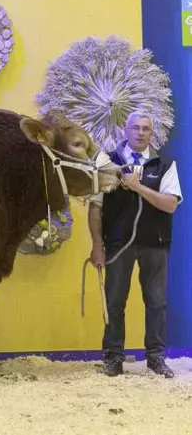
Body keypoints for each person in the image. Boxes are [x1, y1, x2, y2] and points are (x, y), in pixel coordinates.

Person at [88, 111, 182, 378]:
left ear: (151, 133)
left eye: (146, 129)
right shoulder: (107, 163)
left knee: (156, 303)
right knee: (115, 302)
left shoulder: (165, 164)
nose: (141, 133)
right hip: (118, 245)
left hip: (155, 244)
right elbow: (95, 208)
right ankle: (114, 358)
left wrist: (138, 187)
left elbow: (170, 204)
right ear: (125, 131)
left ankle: (155, 358)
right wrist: (97, 245)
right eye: (136, 128)